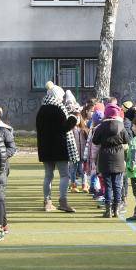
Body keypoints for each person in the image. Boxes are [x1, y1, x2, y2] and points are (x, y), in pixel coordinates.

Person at [35, 83, 76, 213]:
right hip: (59, 148)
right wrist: (73, 119)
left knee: (48, 175)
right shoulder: (59, 109)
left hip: (45, 148)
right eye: (62, 96)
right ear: (57, 96)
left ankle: (47, 202)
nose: (62, 99)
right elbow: (64, 128)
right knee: (64, 175)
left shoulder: (41, 109)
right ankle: (63, 202)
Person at [92, 103, 128, 219]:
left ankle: (108, 210)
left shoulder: (101, 126)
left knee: (108, 185)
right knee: (117, 185)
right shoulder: (121, 126)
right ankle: (116, 209)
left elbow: (95, 141)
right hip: (118, 157)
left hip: (105, 157)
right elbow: (127, 140)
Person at [0, 105, 16, 240]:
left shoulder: (4, 130)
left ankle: (0, 226)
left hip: (0, 168)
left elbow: (12, 148)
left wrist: (0, 156)